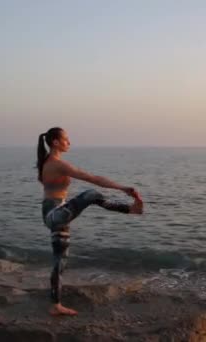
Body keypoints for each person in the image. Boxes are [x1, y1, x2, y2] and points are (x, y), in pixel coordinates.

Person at [36, 127, 143, 316]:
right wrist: (122, 188)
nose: (69, 142)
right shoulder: (56, 163)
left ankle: (55, 305)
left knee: (60, 261)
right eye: (66, 139)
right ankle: (130, 209)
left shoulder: (47, 162)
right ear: (55, 142)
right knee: (91, 194)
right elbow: (92, 178)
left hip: (56, 214)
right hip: (55, 213)